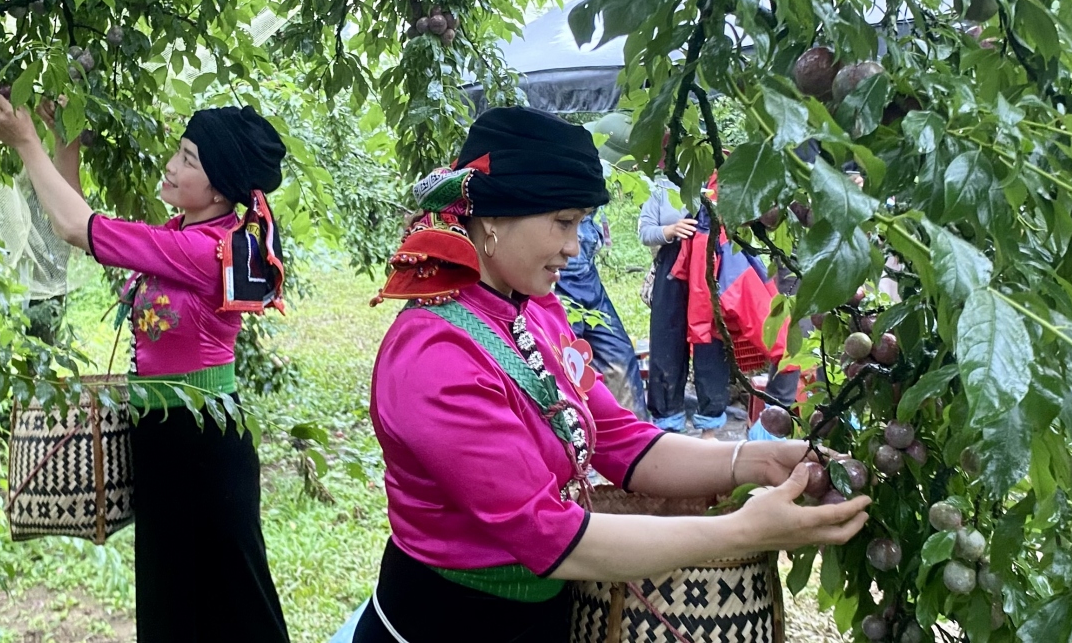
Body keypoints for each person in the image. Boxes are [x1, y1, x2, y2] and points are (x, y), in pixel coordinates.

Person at [354, 106, 870, 642]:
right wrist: (740, 530)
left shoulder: (535, 314)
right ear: (491, 221)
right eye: (562, 222)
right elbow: (548, 535)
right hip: (443, 624)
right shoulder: (435, 357)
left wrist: (756, 458)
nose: (574, 247)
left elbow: (621, 442)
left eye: (579, 223)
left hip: (544, 616)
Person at [0, 93, 291, 643]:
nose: (171, 168)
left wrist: (27, 142)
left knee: (234, 608)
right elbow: (75, 227)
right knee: (174, 604)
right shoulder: (181, 235)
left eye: (188, 160)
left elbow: (82, 228)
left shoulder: (206, 250)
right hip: (168, 438)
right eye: (178, 153)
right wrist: (67, 145)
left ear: (219, 188)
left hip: (201, 443)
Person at [640, 176, 729, 438]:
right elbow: (645, 232)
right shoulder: (661, 186)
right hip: (672, 267)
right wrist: (670, 230)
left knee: (711, 344)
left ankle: (710, 430)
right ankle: (668, 426)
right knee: (666, 343)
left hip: (710, 265)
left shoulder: (718, 178)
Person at [554, 207, 647, 418]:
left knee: (620, 358)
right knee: (564, 365)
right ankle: (576, 438)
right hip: (555, 279)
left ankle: (636, 436)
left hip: (588, 275)